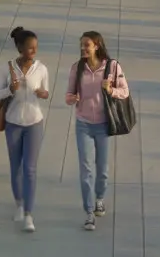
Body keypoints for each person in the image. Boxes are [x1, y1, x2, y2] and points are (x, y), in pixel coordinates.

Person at [64, 31, 129, 231]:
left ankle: (99, 198)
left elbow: (125, 92)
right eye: (82, 45)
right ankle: (89, 212)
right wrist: (72, 99)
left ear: (97, 46)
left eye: (87, 45)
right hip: (83, 124)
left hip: (103, 125)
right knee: (86, 170)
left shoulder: (112, 67)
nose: (83, 48)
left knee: (102, 169)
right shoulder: (77, 68)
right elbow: (68, 95)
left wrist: (110, 90)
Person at [0, 27, 51, 233]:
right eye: (29, 48)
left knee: (30, 169)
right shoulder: (6, 68)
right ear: (19, 48)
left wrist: (42, 93)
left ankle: (28, 214)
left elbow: (46, 92)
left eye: (35, 48)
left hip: (34, 122)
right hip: (13, 123)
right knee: (16, 167)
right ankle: (19, 203)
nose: (33, 51)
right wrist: (10, 90)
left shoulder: (41, 69)